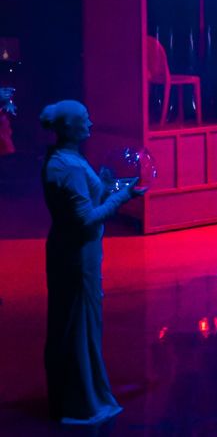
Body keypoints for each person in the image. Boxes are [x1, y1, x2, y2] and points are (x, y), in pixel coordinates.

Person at [40, 100, 146, 425]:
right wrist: (122, 197)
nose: (90, 123)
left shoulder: (68, 158)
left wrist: (105, 184)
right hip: (75, 255)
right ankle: (81, 402)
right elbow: (85, 219)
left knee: (78, 322)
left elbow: (86, 199)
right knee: (78, 324)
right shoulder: (68, 166)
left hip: (76, 251)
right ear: (69, 127)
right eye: (84, 119)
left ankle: (75, 396)